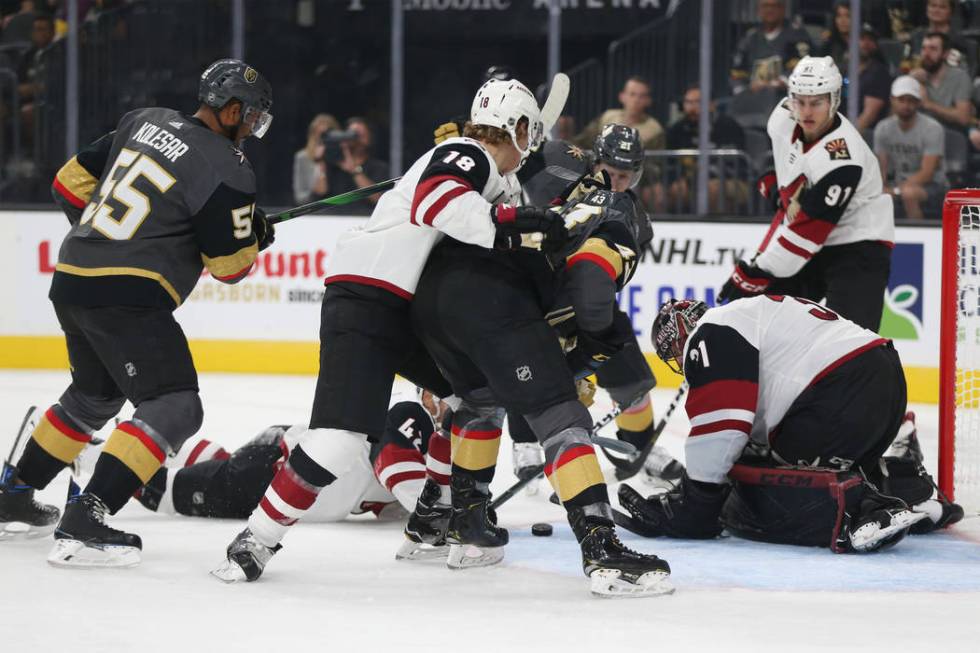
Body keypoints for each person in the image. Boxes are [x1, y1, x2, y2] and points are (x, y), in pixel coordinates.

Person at [213, 77, 566, 583]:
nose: (528, 147)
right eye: (528, 135)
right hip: (367, 295)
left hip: (404, 307)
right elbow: (438, 202)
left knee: (474, 398)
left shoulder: (484, 170)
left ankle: (432, 520)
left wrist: (514, 211)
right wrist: (515, 219)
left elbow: (488, 208)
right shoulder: (469, 152)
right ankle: (255, 540)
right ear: (516, 127)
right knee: (339, 441)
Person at [0, 59, 276, 568]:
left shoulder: (142, 120)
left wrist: (107, 241)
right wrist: (254, 235)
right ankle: (88, 516)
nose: (252, 128)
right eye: (252, 116)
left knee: (92, 397)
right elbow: (230, 266)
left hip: (73, 274)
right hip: (129, 295)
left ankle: (12, 494)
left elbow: (67, 184)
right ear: (232, 109)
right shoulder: (227, 166)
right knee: (175, 405)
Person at [407, 167, 673, 596]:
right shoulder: (619, 214)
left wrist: (567, 362)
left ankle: (467, 528)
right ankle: (603, 550)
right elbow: (590, 284)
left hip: (432, 301)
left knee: (480, 402)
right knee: (561, 414)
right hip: (491, 300)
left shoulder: (556, 197)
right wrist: (594, 343)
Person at [617, 298, 963, 552]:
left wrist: (697, 501)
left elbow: (723, 426)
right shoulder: (747, 314)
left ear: (677, 340)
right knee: (799, 456)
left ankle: (864, 510)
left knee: (754, 487)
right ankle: (908, 487)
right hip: (884, 379)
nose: (681, 362)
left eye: (674, 356)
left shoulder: (710, 332)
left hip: (835, 392)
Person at [718, 56, 894, 333]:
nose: (807, 111)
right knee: (769, 323)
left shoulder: (843, 159)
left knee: (851, 342)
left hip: (859, 245)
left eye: (817, 103)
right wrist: (778, 190)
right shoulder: (782, 119)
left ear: (834, 100)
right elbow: (783, 166)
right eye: (800, 101)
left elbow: (803, 237)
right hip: (814, 243)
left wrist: (755, 271)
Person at [104, 391, 445, 527]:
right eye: (438, 396)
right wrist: (440, 511)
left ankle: (150, 443)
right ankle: (89, 456)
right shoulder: (411, 412)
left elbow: (388, 501)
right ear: (424, 394)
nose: (444, 406)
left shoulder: (434, 445)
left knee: (222, 465)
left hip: (277, 454)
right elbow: (391, 459)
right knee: (162, 491)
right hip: (273, 473)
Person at [662, 85, 748, 213]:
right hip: (692, 182)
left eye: (698, 102)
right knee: (675, 189)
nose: (693, 107)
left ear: (712, 105)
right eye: (688, 102)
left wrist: (700, 180)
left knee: (711, 188)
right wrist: (678, 180)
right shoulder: (676, 130)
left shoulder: (728, 126)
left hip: (732, 181)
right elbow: (669, 164)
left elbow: (732, 164)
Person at [874, 75, 949, 219]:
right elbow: (881, 168)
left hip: (932, 185)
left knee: (909, 193)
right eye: (901, 100)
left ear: (918, 103)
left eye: (911, 100)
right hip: (896, 183)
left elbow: (927, 173)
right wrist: (881, 189)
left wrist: (896, 190)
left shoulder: (932, 128)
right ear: (892, 100)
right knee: (871, 194)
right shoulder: (883, 128)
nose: (906, 105)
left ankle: (920, 237)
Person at [729, 0, 812, 99]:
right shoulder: (750, 37)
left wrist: (775, 84)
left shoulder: (797, 34)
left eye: (774, 6)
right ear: (758, 10)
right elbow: (737, 72)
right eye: (765, 6)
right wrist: (743, 91)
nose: (769, 10)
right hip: (752, 102)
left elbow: (802, 67)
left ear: (783, 9)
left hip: (786, 100)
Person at [574, 77, 665, 153]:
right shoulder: (607, 117)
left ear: (648, 101)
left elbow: (655, 165)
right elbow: (582, 142)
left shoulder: (654, 130)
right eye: (632, 94)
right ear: (622, 96)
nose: (636, 100)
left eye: (642, 96)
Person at [910, 32, 972, 131]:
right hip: (919, 134)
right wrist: (910, 81)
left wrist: (928, 105)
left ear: (945, 54)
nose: (926, 53)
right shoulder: (914, 77)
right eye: (923, 48)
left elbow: (963, 118)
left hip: (949, 135)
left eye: (933, 49)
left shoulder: (959, 77)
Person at [292, 113, 340, 205]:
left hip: (346, 212)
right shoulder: (303, 157)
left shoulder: (342, 156)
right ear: (313, 135)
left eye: (329, 135)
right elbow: (300, 198)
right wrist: (319, 162)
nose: (325, 140)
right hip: (316, 212)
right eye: (322, 135)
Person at [853, 23, 893, 133]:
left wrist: (847, 138)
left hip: (866, 135)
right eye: (861, 39)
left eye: (870, 40)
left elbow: (868, 116)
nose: (865, 43)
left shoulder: (879, 73)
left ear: (875, 45)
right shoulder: (844, 69)